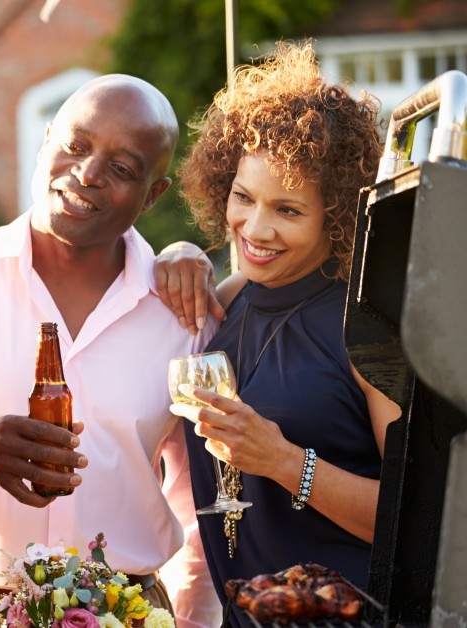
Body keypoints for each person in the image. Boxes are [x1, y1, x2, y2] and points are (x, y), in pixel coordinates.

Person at [0, 74, 221, 628]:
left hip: (130, 614)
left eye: (122, 168)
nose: (86, 174)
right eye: (75, 146)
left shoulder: (183, 313)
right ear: (47, 140)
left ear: (154, 194)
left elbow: (198, 498)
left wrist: (194, 618)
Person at [158, 42, 399, 621]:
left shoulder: (369, 322)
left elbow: (419, 517)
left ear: (337, 213)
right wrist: (179, 250)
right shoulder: (233, 298)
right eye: (244, 197)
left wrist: (286, 461)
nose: (255, 228)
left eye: (288, 210)